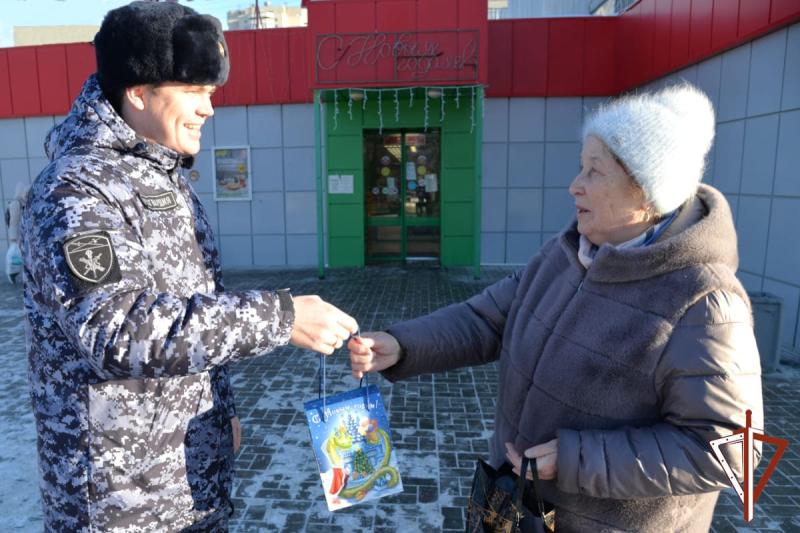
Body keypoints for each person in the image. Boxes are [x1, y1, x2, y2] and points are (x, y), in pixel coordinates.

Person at [349, 84, 763, 532]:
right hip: (518, 509)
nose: (575, 185)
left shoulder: (703, 299)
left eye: (594, 172)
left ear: (647, 193)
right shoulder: (567, 254)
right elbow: (485, 319)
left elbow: (730, 451)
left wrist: (575, 459)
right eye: (580, 166)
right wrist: (401, 344)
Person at [21, 2, 357, 531]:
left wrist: (223, 412)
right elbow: (120, 332)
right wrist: (281, 318)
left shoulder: (164, 179)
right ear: (137, 91)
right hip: (121, 501)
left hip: (191, 476)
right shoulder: (77, 191)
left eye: (211, 94)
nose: (209, 109)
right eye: (194, 92)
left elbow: (190, 307)